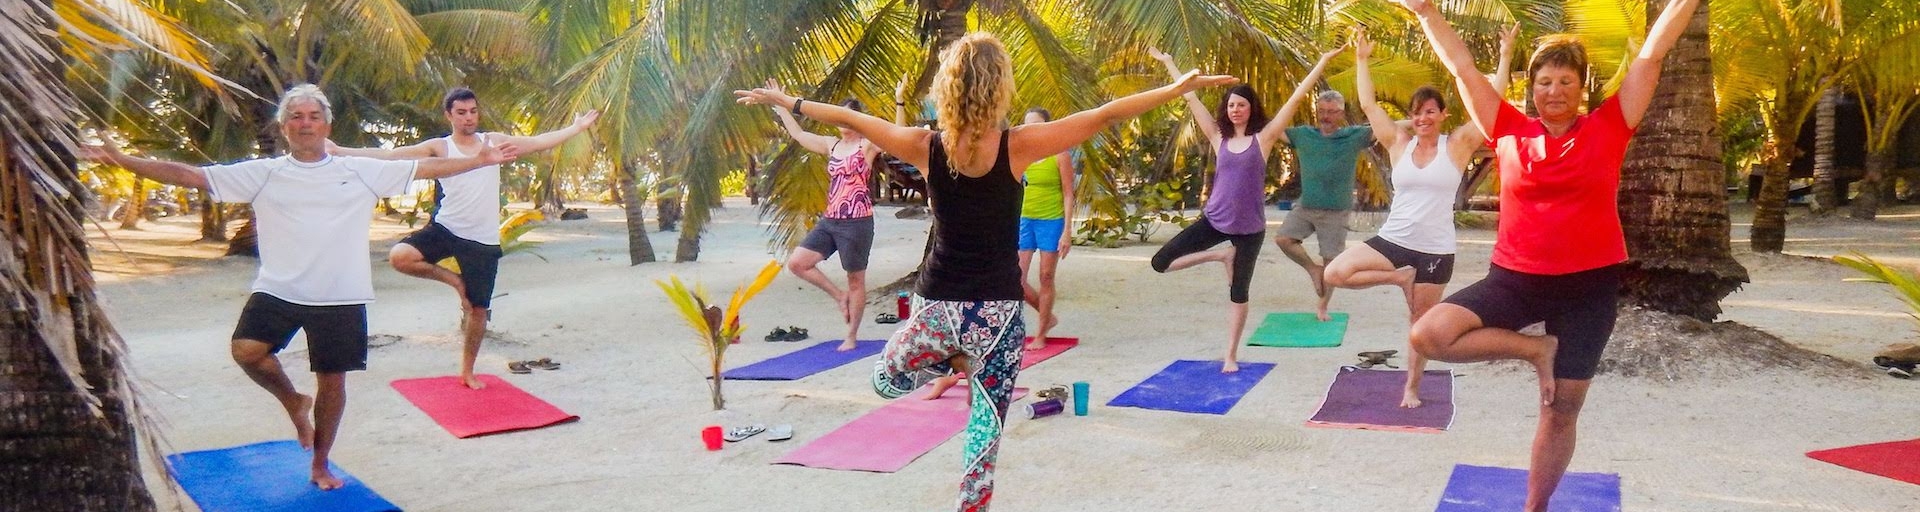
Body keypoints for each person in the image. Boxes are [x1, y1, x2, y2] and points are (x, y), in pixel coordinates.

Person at [737, 33, 1234, 512]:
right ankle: (961, 381)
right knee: (984, 439)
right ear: (1000, 87)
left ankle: (955, 363)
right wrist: (1173, 90)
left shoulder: (920, 143)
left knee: (885, 382)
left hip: (938, 309)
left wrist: (792, 102)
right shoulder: (1018, 145)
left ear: (947, 87)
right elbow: (1102, 115)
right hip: (998, 315)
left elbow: (850, 118)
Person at [79, 84, 518, 490]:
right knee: (247, 351)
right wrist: (121, 159)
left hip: (341, 295)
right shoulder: (264, 172)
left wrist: (478, 161)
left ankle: (320, 463)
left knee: (333, 382)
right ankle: (292, 401)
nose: (305, 122)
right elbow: (190, 174)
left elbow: (426, 167)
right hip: (280, 289)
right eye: (296, 116)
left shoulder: (360, 170)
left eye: (313, 116)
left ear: (326, 126)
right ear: (284, 127)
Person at [1395, 0, 1702, 509]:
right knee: (1429, 334)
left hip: (1589, 288)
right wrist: (1426, 11)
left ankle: (1534, 507)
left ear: (1582, 87)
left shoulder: (1611, 125)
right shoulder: (1507, 128)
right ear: (1530, 88)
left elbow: (1651, 54)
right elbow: (1463, 67)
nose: (1554, 92)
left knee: (1560, 410)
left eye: (1565, 81)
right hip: (1515, 280)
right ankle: (1537, 350)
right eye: (1544, 82)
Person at [328, 87, 599, 389]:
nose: (469, 117)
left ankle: (467, 371)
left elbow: (536, 142)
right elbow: (391, 156)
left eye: (473, 111)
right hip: (446, 228)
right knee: (400, 257)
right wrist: (341, 152)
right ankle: (456, 283)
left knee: (478, 310)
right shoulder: (440, 147)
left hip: (481, 239)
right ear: (449, 115)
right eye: (461, 112)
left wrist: (576, 128)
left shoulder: (493, 141)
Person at [1323, 26, 1516, 408]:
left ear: (1443, 115)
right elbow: (1370, 106)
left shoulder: (1458, 144)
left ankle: (1411, 388)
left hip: (1435, 250)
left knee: (1420, 326)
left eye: (1430, 111)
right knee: (1334, 273)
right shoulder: (1399, 142)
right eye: (1417, 112)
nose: (1423, 117)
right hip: (1393, 241)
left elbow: (1490, 100)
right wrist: (1362, 60)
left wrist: (1506, 55)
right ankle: (1399, 277)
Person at [1145, 45, 1342, 373]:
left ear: (1251, 109)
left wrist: (1321, 61)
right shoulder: (1217, 136)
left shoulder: (1263, 138)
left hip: (1249, 229)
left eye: (1242, 104)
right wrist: (1169, 63)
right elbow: (1190, 98)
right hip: (1214, 222)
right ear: (1226, 109)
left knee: (1239, 292)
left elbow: (1295, 99)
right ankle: (1219, 255)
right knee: (1160, 262)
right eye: (1231, 104)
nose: (1236, 109)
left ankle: (1231, 355)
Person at [759, 78, 910, 351]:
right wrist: (780, 103)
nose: (844, 123)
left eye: (849, 117)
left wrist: (899, 100)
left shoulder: (867, 144)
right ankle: (839, 296)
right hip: (830, 219)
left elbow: (898, 134)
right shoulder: (831, 145)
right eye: (841, 116)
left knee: (856, 279)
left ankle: (851, 335)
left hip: (857, 221)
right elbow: (799, 135)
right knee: (797, 263)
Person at [1270, 48, 1376, 322]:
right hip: (1306, 207)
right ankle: (1311, 269)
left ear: (1341, 114)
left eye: (1332, 112)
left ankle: (1322, 307)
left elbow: (1389, 125)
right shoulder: (1302, 135)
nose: (1326, 116)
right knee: (1283, 239)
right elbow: (1271, 130)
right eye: (1322, 111)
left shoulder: (1354, 136)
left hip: (1335, 211)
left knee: (1332, 262)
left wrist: (1419, 122)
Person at [1016, 107, 1076, 350]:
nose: (1032, 129)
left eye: (1037, 124)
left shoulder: (1060, 154)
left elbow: (1069, 194)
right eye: (1027, 124)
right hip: (1024, 219)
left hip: (1051, 220)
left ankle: (1041, 333)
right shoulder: (1021, 154)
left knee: (1045, 276)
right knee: (1015, 278)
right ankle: (1047, 316)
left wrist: (1067, 232)